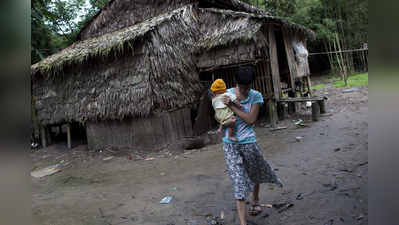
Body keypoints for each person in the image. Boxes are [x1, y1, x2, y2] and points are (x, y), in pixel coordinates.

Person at [216, 66, 284, 225]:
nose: (245, 90)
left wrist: (232, 107)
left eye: (248, 87)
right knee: (238, 181)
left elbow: (251, 120)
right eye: (241, 87)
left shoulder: (256, 96)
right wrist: (223, 121)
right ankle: (243, 223)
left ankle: (255, 199)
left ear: (253, 83)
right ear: (235, 82)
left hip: (248, 142)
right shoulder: (227, 94)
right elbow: (217, 115)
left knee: (254, 172)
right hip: (229, 143)